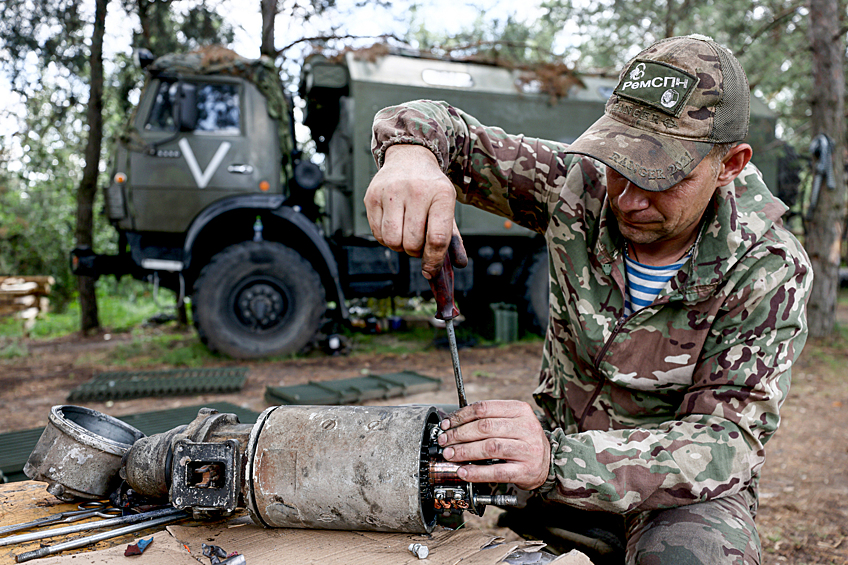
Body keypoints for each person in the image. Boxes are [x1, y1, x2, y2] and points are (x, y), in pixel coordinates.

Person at [364, 35, 812, 564]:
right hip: (552, 463)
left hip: (675, 494)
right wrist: (409, 154)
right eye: (620, 162)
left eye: (662, 176)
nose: (628, 198)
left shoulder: (767, 267)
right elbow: (448, 131)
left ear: (730, 164)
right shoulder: (576, 186)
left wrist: (555, 461)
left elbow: (724, 441)